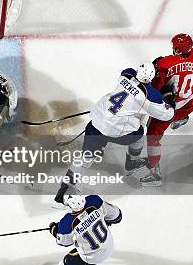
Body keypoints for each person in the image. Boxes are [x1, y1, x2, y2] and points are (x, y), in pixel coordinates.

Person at [53, 62, 174, 204]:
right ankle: (132, 163)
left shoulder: (126, 74)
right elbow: (167, 115)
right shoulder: (149, 95)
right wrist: (168, 98)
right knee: (140, 131)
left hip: (97, 123)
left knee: (85, 159)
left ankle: (63, 192)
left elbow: (131, 76)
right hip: (117, 133)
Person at [139, 33, 193, 186]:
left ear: (178, 50)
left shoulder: (165, 64)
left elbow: (157, 87)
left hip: (174, 107)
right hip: (192, 100)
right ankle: (182, 117)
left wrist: (157, 69)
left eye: (174, 48)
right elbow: (179, 64)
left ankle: (155, 174)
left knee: (153, 134)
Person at [47, 195, 122, 265]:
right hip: (109, 245)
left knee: (65, 264)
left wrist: (54, 230)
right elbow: (117, 216)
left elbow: (64, 242)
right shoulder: (94, 200)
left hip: (92, 256)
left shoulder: (67, 222)